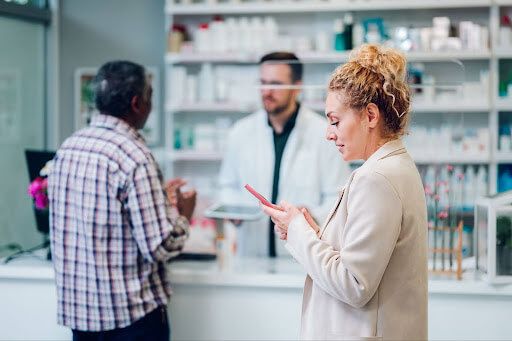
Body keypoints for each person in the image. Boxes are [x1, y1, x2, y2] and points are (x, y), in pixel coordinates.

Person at [262, 44, 428, 340]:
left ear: (371, 116)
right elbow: (362, 260)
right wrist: (312, 233)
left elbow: (354, 284)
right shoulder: (395, 165)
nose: (329, 133)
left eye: (335, 121)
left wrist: (299, 231)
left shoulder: (376, 178)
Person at [48, 60, 196, 341]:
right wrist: (182, 214)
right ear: (137, 103)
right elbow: (160, 245)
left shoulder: (69, 148)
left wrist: (157, 199)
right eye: (150, 96)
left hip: (83, 320)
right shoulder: (134, 156)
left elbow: (101, 216)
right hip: (132, 321)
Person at [218, 51, 350, 258]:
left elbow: (339, 198)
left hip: (301, 261)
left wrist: (308, 215)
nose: (267, 91)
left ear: (297, 86)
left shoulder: (324, 134)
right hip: (250, 257)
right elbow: (227, 186)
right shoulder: (240, 132)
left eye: (276, 84)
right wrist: (233, 210)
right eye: (262, 83)